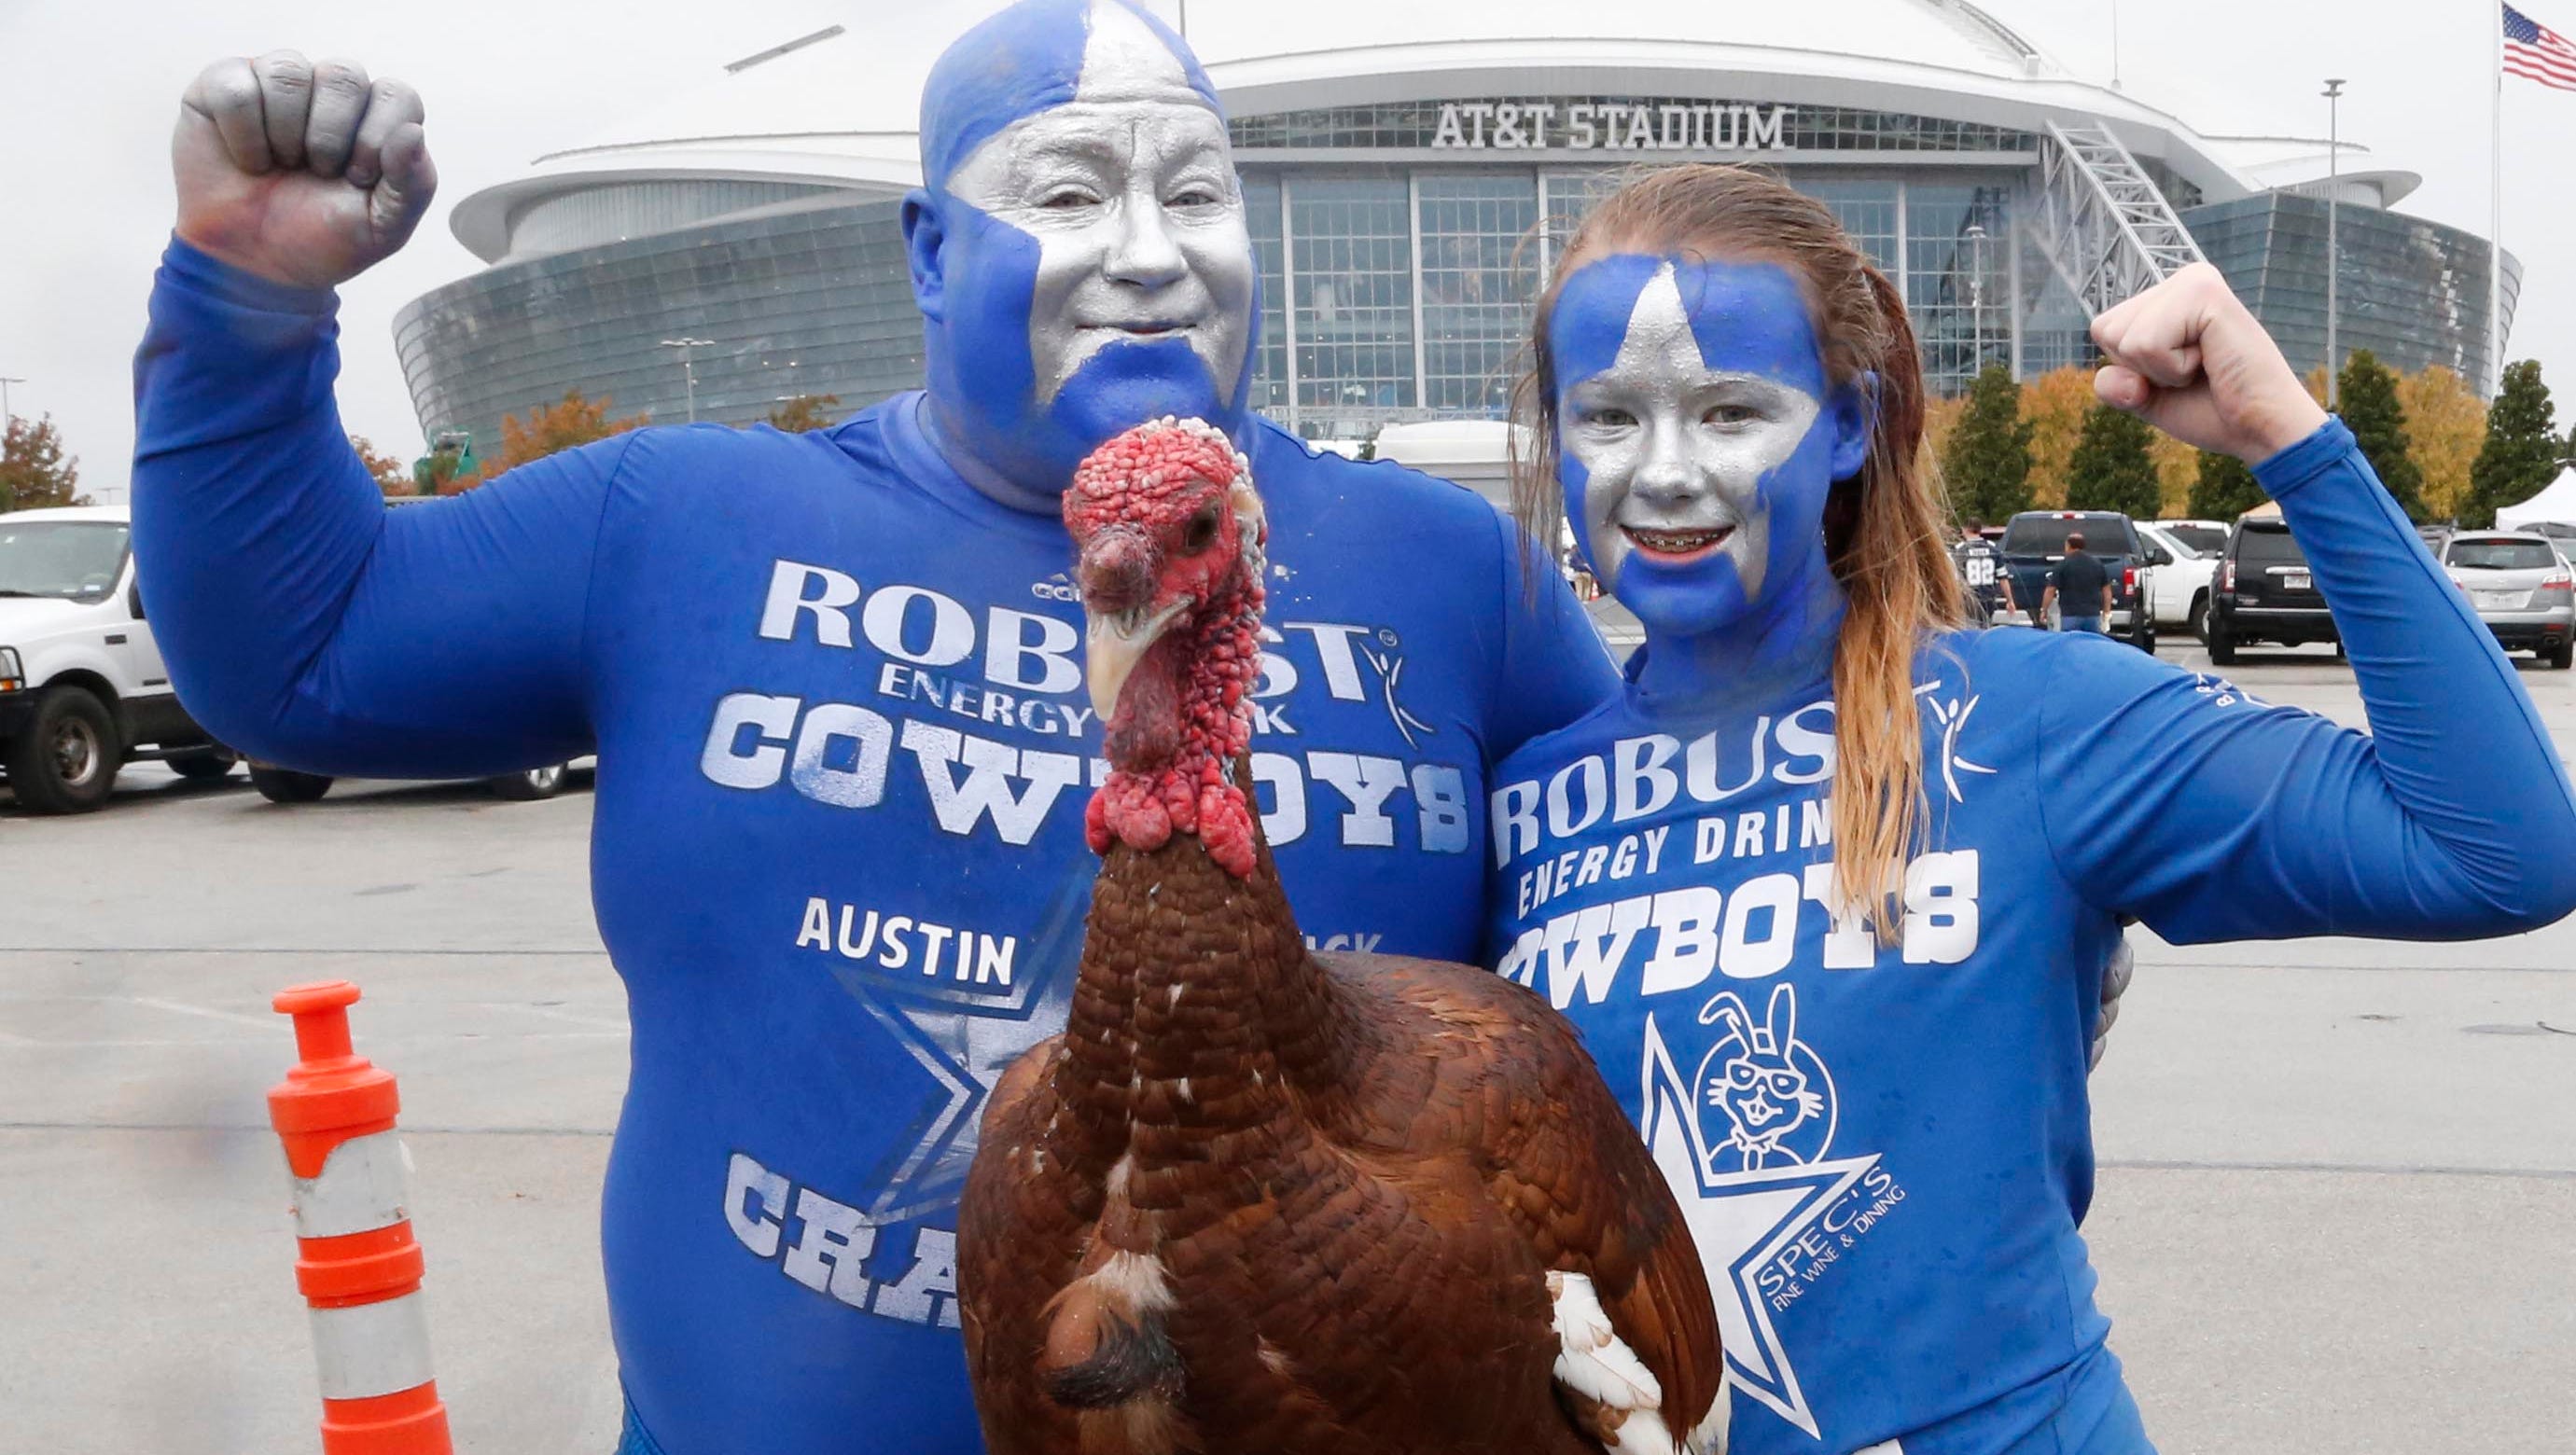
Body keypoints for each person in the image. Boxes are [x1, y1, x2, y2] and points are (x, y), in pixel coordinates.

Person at [130, 6, 1618, 1452]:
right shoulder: (681, 525)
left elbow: (1656, 933)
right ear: (929, 250)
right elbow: (293, 656)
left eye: (1195, 194)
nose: (1149, 252)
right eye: (1070, 193)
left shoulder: (1455, 575)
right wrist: (244, 303)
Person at [1483, 165, 2576, 1455]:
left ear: (1849, 425)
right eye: (1609, 417)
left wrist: (2290, 439)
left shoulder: (2037, 719)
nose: (1665, 473)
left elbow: (2496, 851)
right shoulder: (1523, 801)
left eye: (1731, 411)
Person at [2044, 530, 2113, 633]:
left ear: (2068, 545)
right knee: (2091, 641)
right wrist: (2106, 612)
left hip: (2070, 615)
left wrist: (2044, 610)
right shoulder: (2097, 564)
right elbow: (2107, 591)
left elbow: (2051, 590)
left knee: (2071, 642)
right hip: (2092, 615)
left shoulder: (2063, 565)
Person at [1950, 518, 2005, 624]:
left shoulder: (1959, 550)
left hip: (1968, 597)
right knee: (1986, 625)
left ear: (1965, 529)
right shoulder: (1993, 548)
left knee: (1969, 625)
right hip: (1988, 597)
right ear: (1980, 529)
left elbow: (1954, 578)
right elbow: (2003, 577)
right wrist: (2010, 600)